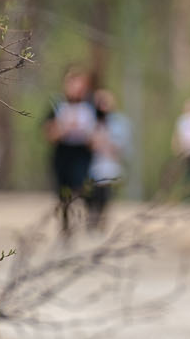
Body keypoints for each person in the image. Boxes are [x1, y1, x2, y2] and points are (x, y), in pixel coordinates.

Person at [44, 67, 100, 234]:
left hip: (82, 154)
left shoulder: (91, 107)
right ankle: (66, 227)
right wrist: (64, 129)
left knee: (84, 186)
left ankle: (91, 222)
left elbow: (98, 136)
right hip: (62, 154)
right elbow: (48, 133)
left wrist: (87, 134)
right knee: (63, 192)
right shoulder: (57, 106)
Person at [87, 88, 134, 225]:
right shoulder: (91, 119)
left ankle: (101, 219)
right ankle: (93, 217)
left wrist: (105, 143)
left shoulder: (120, 122)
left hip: (110, 164)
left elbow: (122, 145)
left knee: (105, 194)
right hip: (92, 164)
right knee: (91, 195)